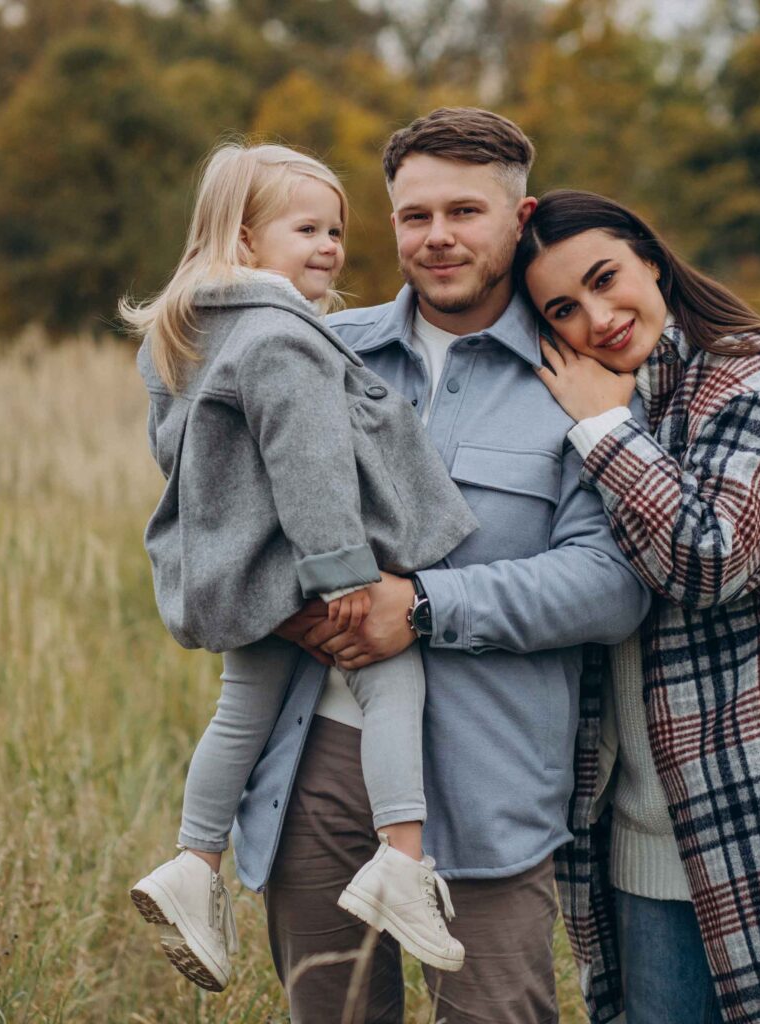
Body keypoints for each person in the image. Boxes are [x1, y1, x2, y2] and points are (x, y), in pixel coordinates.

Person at [229, 110, 652, 1023]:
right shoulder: (316, 350)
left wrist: (417, 606)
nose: (439, 237)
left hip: (490, 777)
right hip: (318, 764)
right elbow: (224, 511)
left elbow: (612, 584)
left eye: (466, 211)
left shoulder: (575, 375)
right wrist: (276, 605)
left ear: (518, 216)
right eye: (415, 215)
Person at [514, 189, 760, 1024]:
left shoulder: (748, 372)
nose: (599, 315)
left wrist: (604, 435)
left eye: (605, 277)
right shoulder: (582, 404)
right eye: (564, 308)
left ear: (651, 259)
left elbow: (712, 556)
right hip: (644, 852)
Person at [120, 142, 482, 992]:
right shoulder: (283, 338)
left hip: (242, 570)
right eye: (307, 228)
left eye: (337, 230)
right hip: (310, 567)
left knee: (241, 709)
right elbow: (308, 463)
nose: (329, 246)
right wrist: (346, 574)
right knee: (393, 674)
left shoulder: (185, 331)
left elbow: (182, 460)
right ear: (245, 242)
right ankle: (401, 860)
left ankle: (194, 863)